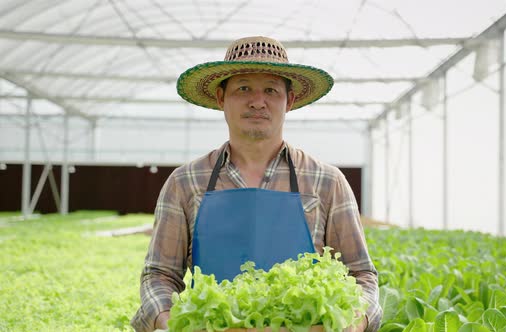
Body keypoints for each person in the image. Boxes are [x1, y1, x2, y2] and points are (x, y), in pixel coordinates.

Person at [131, 36, 382, 332]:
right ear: (220, 97)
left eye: (271, 90)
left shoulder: (327, 181)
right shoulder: (185, 182)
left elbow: (362, 276)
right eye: (244, 88)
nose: (257, 101)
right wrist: (171, 320)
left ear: (289, 101)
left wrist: (351, 322)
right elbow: (159, 276)